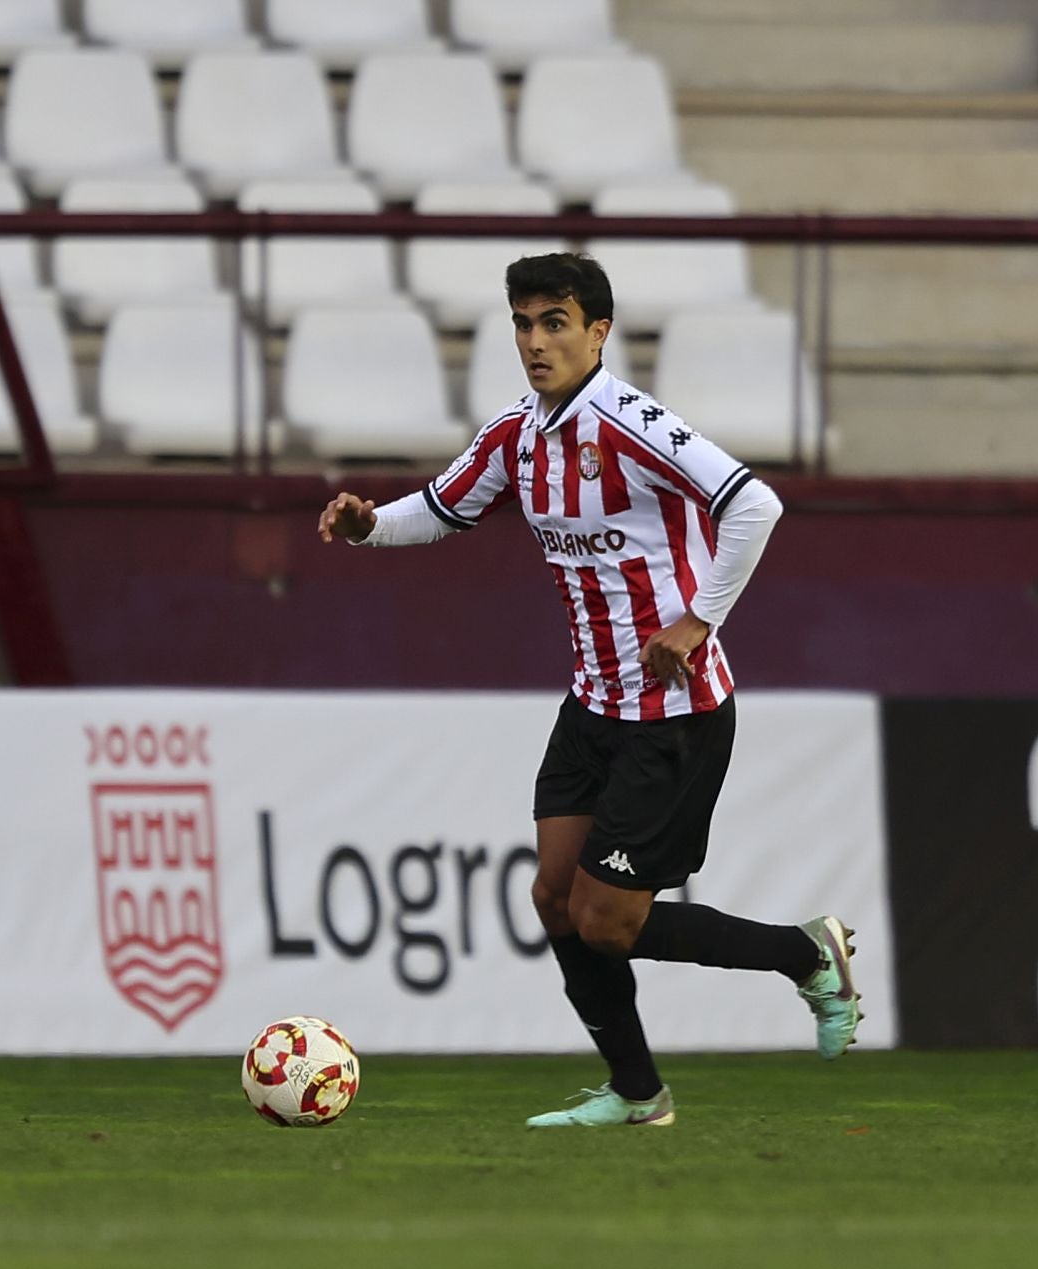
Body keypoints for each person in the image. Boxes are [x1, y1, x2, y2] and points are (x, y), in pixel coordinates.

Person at [317, 253, 859, 1127]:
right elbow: (441, 509)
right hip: (592, 707)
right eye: (524, 324)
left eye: (555, 322)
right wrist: (369, 526)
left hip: (672, 715)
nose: (536, 342)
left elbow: (754, 506)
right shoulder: (517, 436)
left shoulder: (632, 423)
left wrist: (696, 621)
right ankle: (638, 1094)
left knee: (606, 921)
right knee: (553, 899)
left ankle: (803, 955)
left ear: (598, 331)